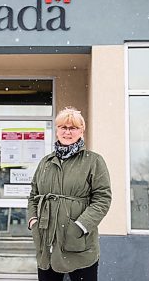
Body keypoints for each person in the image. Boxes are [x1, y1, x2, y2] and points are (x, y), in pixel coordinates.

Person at [27, 107, 112, 281]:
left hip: (79, 243)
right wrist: (33, 220)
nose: (67, 132)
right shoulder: (46, 162)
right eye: (63, 127)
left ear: (81, 131)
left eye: (73, 128)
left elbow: (102, 198)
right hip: (47, 242)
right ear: (57, 130)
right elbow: (33, 195)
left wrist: (80, 226)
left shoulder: (93, 161)